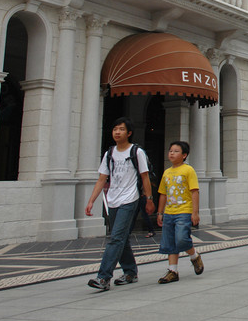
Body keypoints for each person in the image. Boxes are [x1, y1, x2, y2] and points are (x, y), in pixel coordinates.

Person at [85, 117, 156, 291]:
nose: (117, 132)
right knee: (121, 238)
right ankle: (130, 272)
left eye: (121, 129)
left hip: (129, 199)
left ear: (129, 133)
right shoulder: (109, 153)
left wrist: (149, 199)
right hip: (112, 200)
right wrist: (91, 200)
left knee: (115, 238)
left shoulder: (136, 151)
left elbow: (144, 176)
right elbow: (102, 178)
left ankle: (103, 277)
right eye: (115, 129)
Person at [156, 141, 204, 283]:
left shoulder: (188, 170)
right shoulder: (167, 172)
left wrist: (195, 213)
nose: (172, 153)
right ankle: (173, 271)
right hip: (169, 212)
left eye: (176, 151)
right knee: (170, 242)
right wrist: (160, 213)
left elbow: (194, 192)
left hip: (184, 211)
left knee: (182, 239)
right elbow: (163, 194)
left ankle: (194, 256)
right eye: (170, 150)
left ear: (184, 155)